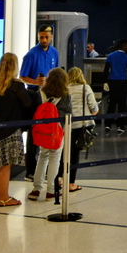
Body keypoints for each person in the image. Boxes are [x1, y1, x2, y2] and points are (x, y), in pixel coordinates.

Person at [0, 53, 34, 207]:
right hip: (10, 130)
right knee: (6, 165)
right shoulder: (16, 85)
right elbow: (28, 103)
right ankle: (5, 197)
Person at [19, 25, 58, 178]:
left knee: (49, 129)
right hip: (35, 94)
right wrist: (35, 82)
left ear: (51, 37)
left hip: (50, 94)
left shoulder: (54, 52)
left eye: (46, 37)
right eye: (41, 37)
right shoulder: (31, 54)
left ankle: (46, 168)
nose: (44, 40)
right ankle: (30, 169)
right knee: (33, 130)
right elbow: (22, 76)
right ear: (38, 37)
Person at [29, 67, 71, 201]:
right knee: (55, 158)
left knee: (42, 156)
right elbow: (68, 115)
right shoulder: (65, 95)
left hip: (42, 130)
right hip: (57, 130)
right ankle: (51, 190)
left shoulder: (40, 93)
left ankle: (36, 189)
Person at [63, 67, 98, 193]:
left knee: (63, 153)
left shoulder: (64, 89)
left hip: (66, 125)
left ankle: (61, 179)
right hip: (81, 125)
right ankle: (71, 183)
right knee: (75, 154)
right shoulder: (85, 88)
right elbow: (94, 108)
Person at [105, 39, 127, 134]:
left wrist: (105, 82)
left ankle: (108, 124)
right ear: (124, 46)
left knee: (112, 104)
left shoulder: (110, 56)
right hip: (122, 82)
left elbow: (106, 70)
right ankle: (120, 125)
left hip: (112, 82)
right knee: (122, 105)